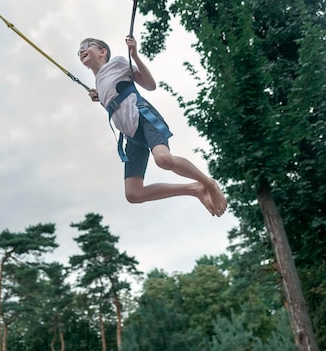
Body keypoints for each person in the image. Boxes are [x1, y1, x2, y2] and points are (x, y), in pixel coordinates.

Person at [78, 35, 227, 217]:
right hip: (131, 134)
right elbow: (116, 106)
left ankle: (209, 183)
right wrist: (100, 97)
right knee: (133, 193)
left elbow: (150, 85)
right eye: (79, 50)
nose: (82, 50)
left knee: (164, 159)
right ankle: (194, 189)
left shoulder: (116, 63)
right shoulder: (98, 85)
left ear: (103, 52)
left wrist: (135, 56)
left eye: (87, 46)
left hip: (144, 117)